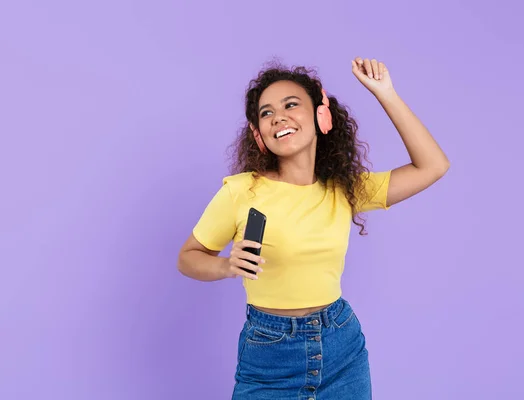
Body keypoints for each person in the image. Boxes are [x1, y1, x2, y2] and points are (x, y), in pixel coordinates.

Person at [177, 57, 450, 399]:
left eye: (291, 104)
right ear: (258, 134)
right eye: (266, 113)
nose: (279, 116)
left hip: (341, 347)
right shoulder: (239, 191)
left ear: (322, 115)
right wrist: (224, 265)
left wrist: (386, 93)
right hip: (269, 355)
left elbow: (433, 166)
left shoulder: (344, 189)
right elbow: (188, 257)